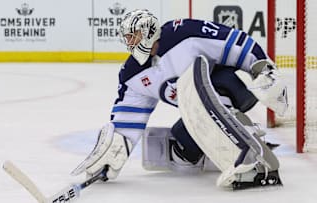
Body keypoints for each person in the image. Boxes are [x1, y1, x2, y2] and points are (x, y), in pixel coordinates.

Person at [71, 9, 288, 190]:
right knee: (182, 148)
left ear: (149, 32)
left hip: (235, 84)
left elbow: (234, 42)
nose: (131, 43)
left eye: (135, 36)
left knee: (213, 97)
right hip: (200, 108)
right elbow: (128, 118)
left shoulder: (183, 33)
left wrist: (262, 67)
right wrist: (114, 152)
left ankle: (252, 155)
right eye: (128, 39)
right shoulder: (132, 75)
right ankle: (220, 150)